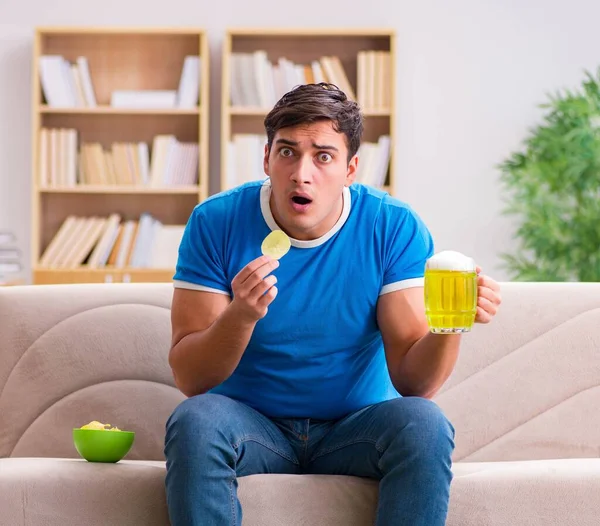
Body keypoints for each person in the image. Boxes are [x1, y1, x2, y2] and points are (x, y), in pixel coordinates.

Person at [164, 82, 502, 525]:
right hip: (250, 425)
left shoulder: (391, 225)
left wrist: (450, 324)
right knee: (194, 421)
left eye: (323, 156)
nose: (302, 174)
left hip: (355, 429)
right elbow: (192, 378)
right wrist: (241, 315)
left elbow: (414, 384)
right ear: (266, 158)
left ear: (350, 169)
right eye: (287, 152)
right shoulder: (216, 221)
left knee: (424, 421)